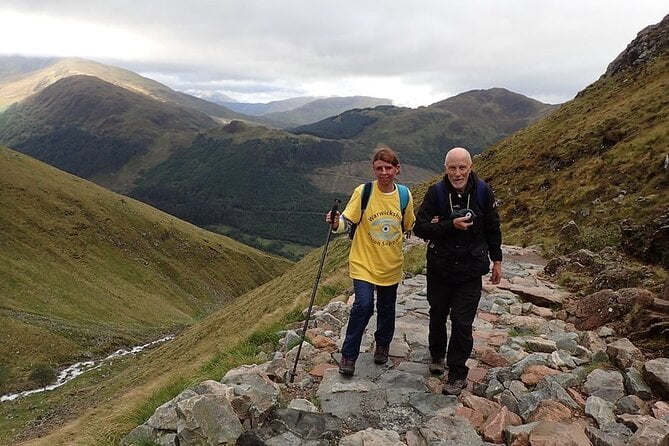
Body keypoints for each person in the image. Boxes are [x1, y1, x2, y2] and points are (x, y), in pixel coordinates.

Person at [413, 147, 502, 395]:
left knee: (462, 323)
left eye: (462, 167)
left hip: (470, 271)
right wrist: (449, 225)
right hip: (440, 269)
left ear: (470, 167)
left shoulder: (483, 191)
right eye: (452, 167)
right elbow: (419, 228)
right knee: (438, 314)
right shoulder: (435, 193)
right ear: (446, 169)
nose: (457, 173)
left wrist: (497, 260)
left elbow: (493, 227)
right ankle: (437, 354)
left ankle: (457, 373)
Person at [326, 145, 415, 376]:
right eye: (379, 168)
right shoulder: (363, 192)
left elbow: (408, 225)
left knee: (386, 308)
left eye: (388, 167)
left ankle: (382, 345)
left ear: (397, 169)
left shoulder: (404, 195)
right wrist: (336, 224)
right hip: (363, 261)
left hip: (390, 263)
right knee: (362, 306)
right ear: (373, 170)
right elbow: (347, 220)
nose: (384, 172)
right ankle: (348, 356)